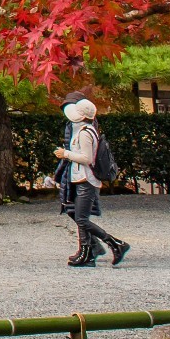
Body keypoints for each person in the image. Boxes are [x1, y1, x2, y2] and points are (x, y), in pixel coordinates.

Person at [53, 97, 130, 267]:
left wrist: (65, 154)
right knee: (81, 217)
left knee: (82, 219)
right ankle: (88, 252)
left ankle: (115, 243)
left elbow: (87, 158)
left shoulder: (85, 133)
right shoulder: (86, 130)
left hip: (86, 179)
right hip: (82, 178)